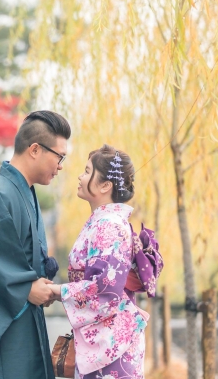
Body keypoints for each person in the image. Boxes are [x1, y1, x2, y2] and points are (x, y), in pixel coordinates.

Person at [0, 111, 71, 379]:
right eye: (60, 156)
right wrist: (24, 288)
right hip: (2, 333)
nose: (61, 165)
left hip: (23, 321)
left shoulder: (23, 193)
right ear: (34, 150)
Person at [48, 145, 162, 379]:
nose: (80, 177)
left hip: (111, 345)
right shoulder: (105, 221)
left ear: (105, 185)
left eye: (87, 171)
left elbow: (106, 289)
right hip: (106, 338)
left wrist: (57, 292)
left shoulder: (109, 224)